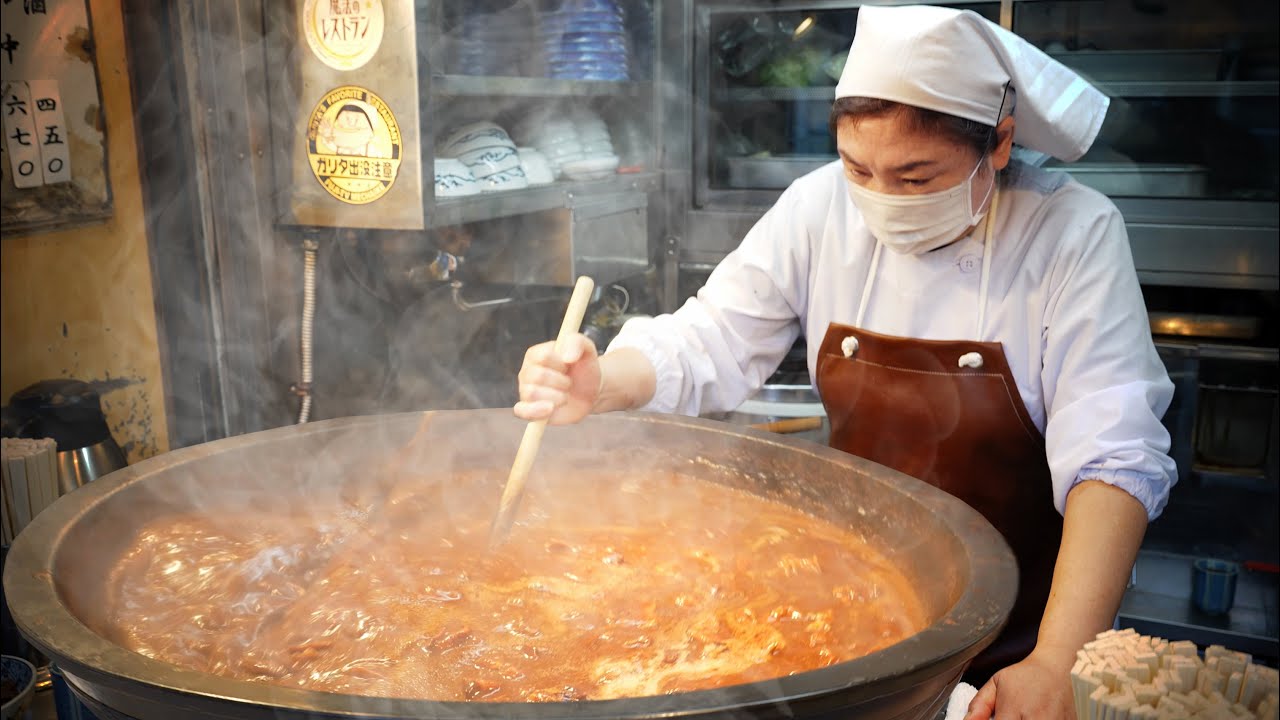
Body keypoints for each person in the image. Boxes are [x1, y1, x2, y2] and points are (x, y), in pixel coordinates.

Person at [514, 6, 1176, 719]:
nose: (882, 200)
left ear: (1002, 144)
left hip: (1022, 635)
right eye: (860, 168)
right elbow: (714, 336)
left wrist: (1056, 659)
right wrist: (603, 379)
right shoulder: (818, 208)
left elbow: (1112, 460)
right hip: (859, 609)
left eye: (917, 179)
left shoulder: (1071, 235)